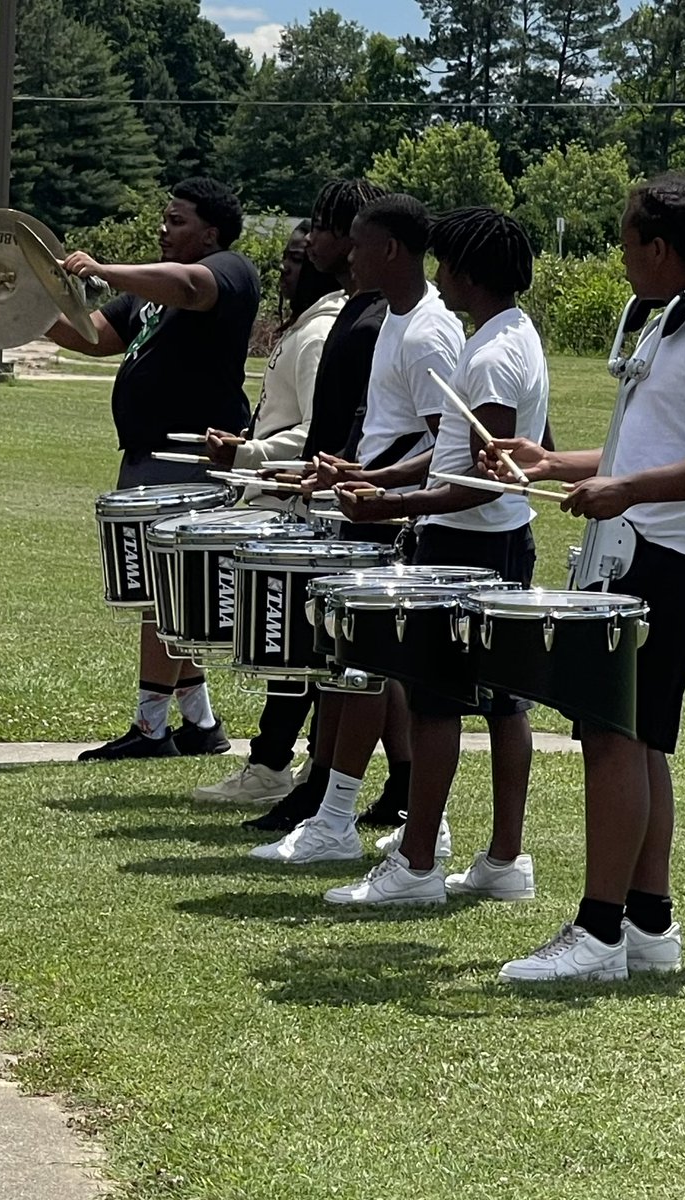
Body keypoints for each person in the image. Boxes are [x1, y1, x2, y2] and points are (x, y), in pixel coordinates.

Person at [482, 172, 685, 981]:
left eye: (623, 243)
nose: (620, 260)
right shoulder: (671, 325)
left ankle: (598, 933)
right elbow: (646, 451)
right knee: (635, 733)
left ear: (656, 247)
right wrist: (552, 461)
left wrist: (630, 490)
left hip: (674, 551)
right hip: (647, 542)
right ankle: (646, 924)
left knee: (612, 732)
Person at [312, 209, 549, 901]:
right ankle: (503, 863)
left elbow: (476, 482)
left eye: (445, 263)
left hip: (470, 544)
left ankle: (417, 864)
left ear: (470, 272)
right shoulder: (507, 335)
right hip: (496, 538)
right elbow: (451, 456)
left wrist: (387, 508)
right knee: (504, 704)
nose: (438, 275)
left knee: (435, 708)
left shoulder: (493, 354)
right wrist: (376, 478)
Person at [249, 194, 469, 866]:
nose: (349, 254)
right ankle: (334, 810)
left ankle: (335, 816)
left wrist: (382, 487)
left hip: (388, 523)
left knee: (360, 672)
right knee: (348, 669)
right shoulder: (393, 317)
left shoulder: (429, 329)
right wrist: (352, 466)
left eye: (362, 243)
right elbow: (395, 431)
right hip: (362, 504)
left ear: (392, 251)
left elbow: (449, 444)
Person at [195, 179, 390, 819]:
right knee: (319, 653)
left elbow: (329, 428)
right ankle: (301, 772)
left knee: (324, 654)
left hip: (330, 505)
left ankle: (306, 775)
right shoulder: (329, 318)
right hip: (320, 496)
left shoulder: (344, 324)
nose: (303, 250)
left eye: (318, 239)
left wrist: (251, 457)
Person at [47, 177, 261, 760]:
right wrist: (17, 311)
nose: (163, 229)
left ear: (210, 232)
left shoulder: (229, 270)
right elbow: (93, 336)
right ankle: (199, 721)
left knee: (166, 593)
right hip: (148, 455)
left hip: (189, 457)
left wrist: (103, 268)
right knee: (170, 594)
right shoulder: (147, 293)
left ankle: (150, 727)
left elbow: (192, 288)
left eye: (176, 221)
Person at [203, 220, 344, 470]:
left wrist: (250, 452)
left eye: (297, 259)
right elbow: (285, 416)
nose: (283, 267)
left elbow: (317, 432)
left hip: (288, 500)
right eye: (285, 257)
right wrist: (247, 438)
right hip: (272, 494)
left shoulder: (318, 335)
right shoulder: (305, 327)